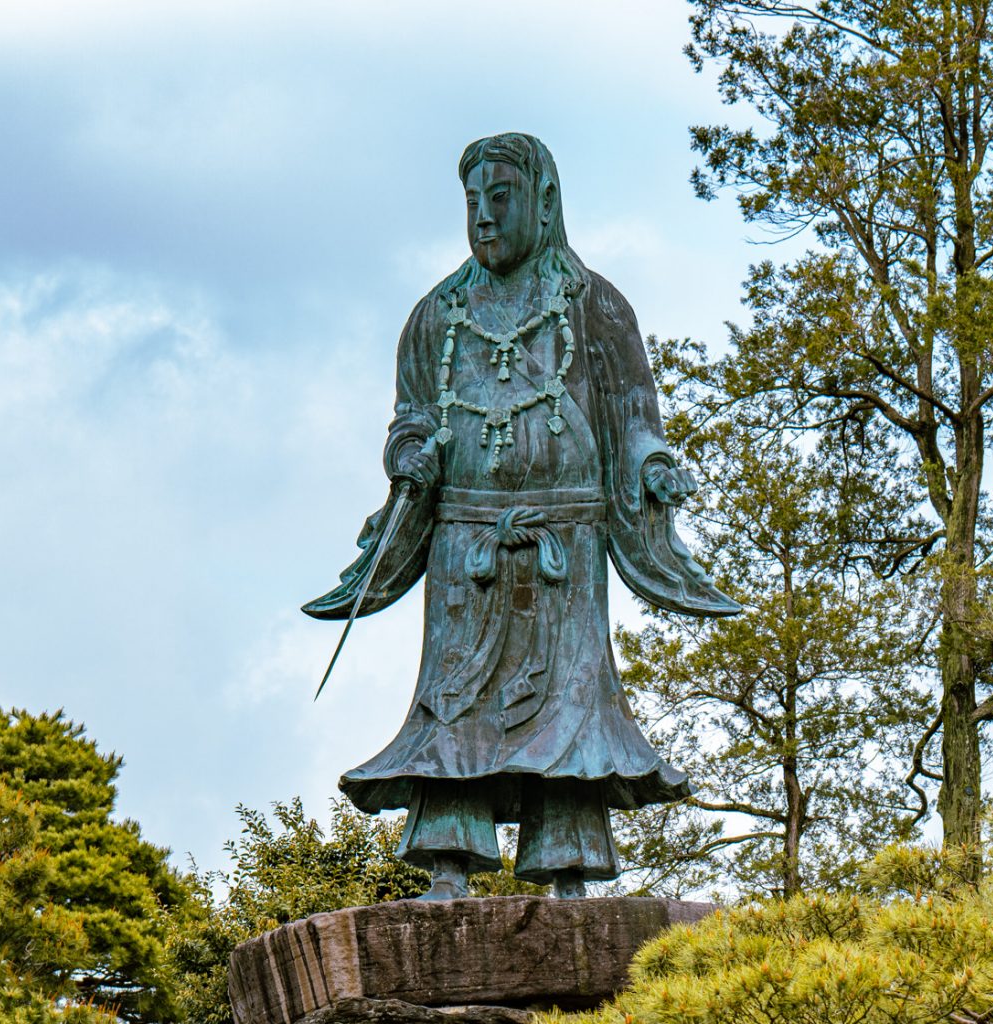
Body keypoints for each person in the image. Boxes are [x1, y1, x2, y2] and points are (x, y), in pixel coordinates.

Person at [304, 131, 736, 899]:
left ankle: (565, 865)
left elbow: (636, 412)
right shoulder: (438, 313)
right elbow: (410, 415)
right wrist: (408, 455)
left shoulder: (593, 304)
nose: (482, 218)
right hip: (465, 538)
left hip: (565, 535)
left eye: (498, 199)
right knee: (452, 702)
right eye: (471, 202)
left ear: (541, 201)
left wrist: (651, 463)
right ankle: (447, 861)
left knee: (574, 708)